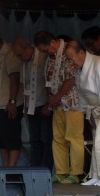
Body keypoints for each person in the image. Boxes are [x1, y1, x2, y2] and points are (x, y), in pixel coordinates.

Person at [35, 30, 84, 184]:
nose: (44, 52)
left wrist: (56, 96)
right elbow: (48, 79)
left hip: (72, 102)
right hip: (57, 104)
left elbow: (71, 79)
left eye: (45, 49)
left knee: (74, 138)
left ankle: (75, 173)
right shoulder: (49, 58)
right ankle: (61, 171)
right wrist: (51, 97)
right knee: (58, 139)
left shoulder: (68, 51)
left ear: (52, 42)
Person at [64, 41, 100, 186]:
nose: (71, 63)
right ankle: (96, 174)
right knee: (96, 142)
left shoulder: (99, 64)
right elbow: (81, 93)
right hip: (93, 109)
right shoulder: (80, 70)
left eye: (71, 59)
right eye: (68, 60)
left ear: (81, 53)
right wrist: (85, 112)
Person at [12, 37, 53, 170]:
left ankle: (45, 168)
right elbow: (25, 85)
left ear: (28, 48)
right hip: (30, 105)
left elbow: (50, 83)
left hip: (44, 103)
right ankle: (35, 168)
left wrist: (49, 104)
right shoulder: (24, 63)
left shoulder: (43, 57)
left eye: (19, 54)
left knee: (46, 139)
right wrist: (25, 106)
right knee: (34, 139)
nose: (19, 57)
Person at [0, 33, 23, 167]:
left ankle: (11, 167)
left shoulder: (10, 53)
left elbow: (14, 79)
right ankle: (6, 166)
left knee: (11, 135)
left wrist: (12, 101)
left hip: (9, 104)